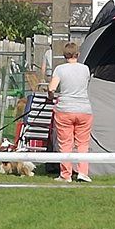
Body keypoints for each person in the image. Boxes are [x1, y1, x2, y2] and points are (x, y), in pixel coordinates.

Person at [47, 42, 93, 183]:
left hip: (65, 110)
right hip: (84, 110)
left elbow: (51, 89)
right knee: (83, 143)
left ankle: (65, 175)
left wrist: (50, 97)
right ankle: (82, 173)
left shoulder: (60, 69)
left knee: (65, 143)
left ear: (64, 55)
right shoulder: (85, 69)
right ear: (78, 55)